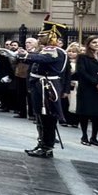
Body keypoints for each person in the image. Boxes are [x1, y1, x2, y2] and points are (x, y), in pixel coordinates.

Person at [22, 22, 69, 158]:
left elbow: (42, 59)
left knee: (47, 117)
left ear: (51, 36)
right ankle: (42, 143)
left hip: (47, 86)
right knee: (40, 117)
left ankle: (47, 147)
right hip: (39, 85)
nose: (39, 37)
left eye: (42, 35)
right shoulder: (46, 49)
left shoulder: (54, 51)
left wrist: (24, 56)